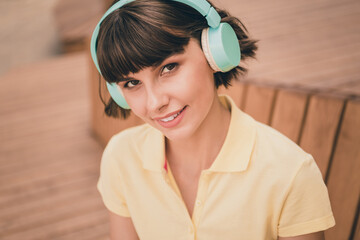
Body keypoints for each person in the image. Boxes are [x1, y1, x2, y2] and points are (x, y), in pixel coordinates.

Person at [90, 0, 335, 239]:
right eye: (132, 83)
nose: (155, 103)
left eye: (169, 67)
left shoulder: (290, 172)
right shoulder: (121, 157)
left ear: (215, 51)